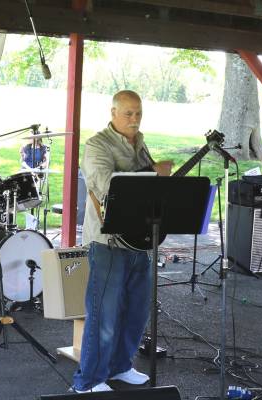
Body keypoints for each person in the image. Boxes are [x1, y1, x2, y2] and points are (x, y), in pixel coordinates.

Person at [73, 90, 173, 393]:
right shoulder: (97, 145)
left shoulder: (139, 143)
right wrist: (151, 173)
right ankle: (88, 381)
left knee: (136, 310)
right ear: (113, 112)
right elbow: (107, 186)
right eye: (128, 113)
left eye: (139, 113)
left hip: (139, 239)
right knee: (104, 314)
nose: (134, 119)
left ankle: (119, 367)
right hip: (107, 241)